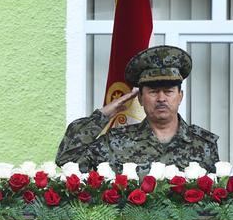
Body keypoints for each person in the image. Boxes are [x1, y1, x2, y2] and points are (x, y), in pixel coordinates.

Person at [55, 45, 219, 175]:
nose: (161, 98)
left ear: (180, 96)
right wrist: (104, 114)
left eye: (168, 91)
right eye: (153, 91)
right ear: (139, 98)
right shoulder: (115, 142)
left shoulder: (203, 144)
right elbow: (67, 160)